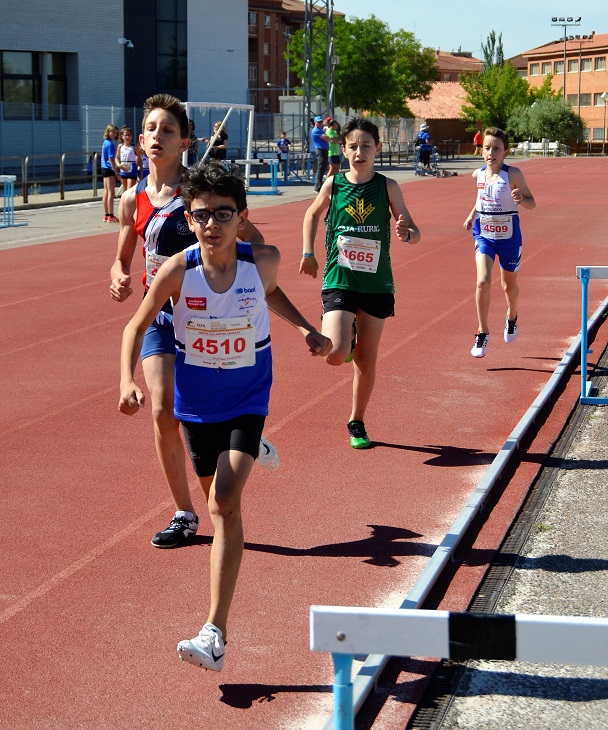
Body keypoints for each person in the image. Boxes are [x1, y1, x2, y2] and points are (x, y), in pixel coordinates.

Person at [118, 161, 331, 671]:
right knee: (216, 490)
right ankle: (249, 449)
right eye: (201, 214)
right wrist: (127, 379)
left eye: (223, 213)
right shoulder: (177, 270)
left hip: (247, 396)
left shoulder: (264, 260)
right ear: (189, 219)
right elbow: (136, 326)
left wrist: (305, 328)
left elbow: (271, 291)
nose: (211, 223)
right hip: (196, 403)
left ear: (242, 217)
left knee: (224, 504)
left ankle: (214, 632)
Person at [110, 94, 274, 550]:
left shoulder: (201, 195)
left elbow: (253, 243)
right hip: (162, 319)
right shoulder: (132, 199)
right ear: (140, 140)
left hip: (209, 321)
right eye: (150, 128)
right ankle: (185, 513)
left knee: (211, 409)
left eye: (168, 130)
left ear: (185, 142)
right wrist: (118, 274)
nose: (157, 136)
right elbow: (124, 257)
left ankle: (245, 439)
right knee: (162, 410)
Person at [300, 117, 421, 449]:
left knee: (366, 361)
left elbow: (414, 232)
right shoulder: (334, 184)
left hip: (376, 285)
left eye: (366, 146)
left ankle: (357, 422)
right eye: (353, 146)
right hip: (339, 279)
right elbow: (312, 214)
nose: (359, 152)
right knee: (335, 355)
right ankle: (346, 339)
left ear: (378, 148)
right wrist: (308, 252)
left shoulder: (388, 187)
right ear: (343, 149)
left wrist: (406, 233)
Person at [463, 127, 536, 358]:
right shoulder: (478, 174)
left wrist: (520, 199)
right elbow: (482, 197)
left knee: (508, 286)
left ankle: (512, 316)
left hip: (509, 237)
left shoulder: (513, 174)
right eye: (487, 148)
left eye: (496, 148)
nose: (491, 153)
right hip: (484, 233)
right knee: (482, 281)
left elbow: (532, 203)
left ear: (506, 152)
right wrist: (471, 215)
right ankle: (482, 331)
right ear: (481, 151)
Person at [101, 124, 119, 222]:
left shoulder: (105, 142)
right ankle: (110, 215)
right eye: (113, 132)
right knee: (111, 192)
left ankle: (106, 214)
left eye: (116, 133)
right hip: (108, 168)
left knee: (106, 191)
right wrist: (115, 172)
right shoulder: (110, 144)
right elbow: (111, 158)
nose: (114, 134)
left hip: (103, 167)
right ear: (108, 132)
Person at [115, 125, 141, 191]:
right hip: (123, 171)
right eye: (126, 135)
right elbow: (117, 158)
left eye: (129, 135)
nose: (128, 137)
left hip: (132, 171)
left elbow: (139, 157)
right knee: (125, 191)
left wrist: (139, 169)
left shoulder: (134, 147)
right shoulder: (120, 146)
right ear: (122, 136)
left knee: (129, 190)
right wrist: (119, 165)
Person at [310, 115, 330, 193]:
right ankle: (317, 187)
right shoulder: (316, 130)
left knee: (324, 167)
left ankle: (321, 185)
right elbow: (327, 138)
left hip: (324, 150)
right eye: (319, 122)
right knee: (321, 168)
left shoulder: (320, 129)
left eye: (321, 122)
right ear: (315, 122)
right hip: (320, 150)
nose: (320, 123)